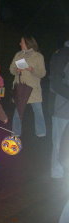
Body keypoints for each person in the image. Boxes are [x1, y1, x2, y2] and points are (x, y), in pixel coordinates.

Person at [9, 35, 46, 137]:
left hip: (33, 89)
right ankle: (16, 133)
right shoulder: (18, 55)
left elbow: (42, 73)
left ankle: (41, 132)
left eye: (22, 42)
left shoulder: (38, 56)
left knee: (38, 111)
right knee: (17, 113)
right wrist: (16, 70)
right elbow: (11, 69)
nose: (20, 44)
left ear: (27, 43)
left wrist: (32, 70)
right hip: (20, 88)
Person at [49, 39, 69, 179]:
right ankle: (57, 173)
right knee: (59, 142)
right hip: (62, 109)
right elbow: (55, 84)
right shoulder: (63, 55)